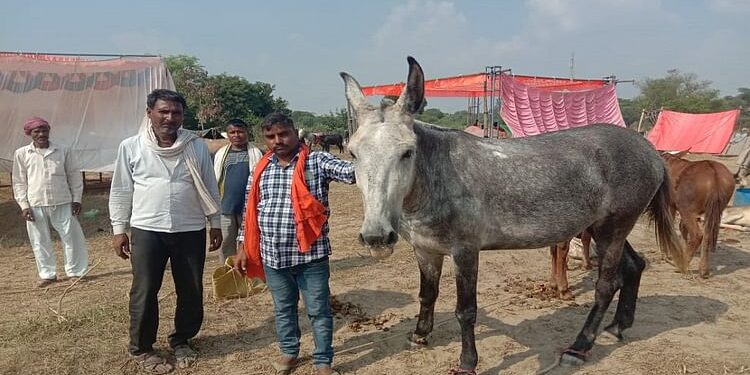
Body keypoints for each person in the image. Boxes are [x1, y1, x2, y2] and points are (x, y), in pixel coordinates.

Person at [109, 89, 222, 374]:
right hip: (147, 229)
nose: (170, 118)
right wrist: (119, 229)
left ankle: (182, 339)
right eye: (164, 111)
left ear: (183, 116)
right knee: (145, 291)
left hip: (190, 227)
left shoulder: (195, 146)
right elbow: (121, 190)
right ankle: (142, 348)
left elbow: (210, 185)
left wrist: (215, 223)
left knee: (191, 289)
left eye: (176, 113)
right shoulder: (131, 147)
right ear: (150, 113)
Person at [235, 112, 355, 375]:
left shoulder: (317, 160)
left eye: (283, 134)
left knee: (318, 311)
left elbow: (351, 172)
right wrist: (243, 244)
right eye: (270, 136)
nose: (277, 140)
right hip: (273, 258)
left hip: (310, 257)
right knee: (283, 309)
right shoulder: (261, 168)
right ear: (265, 139)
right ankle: (289, 352)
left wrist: (371, 150)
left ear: (294, 132)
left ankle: (323, 360)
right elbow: (249, 210)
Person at [12, 117, 88, 288]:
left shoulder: (62, 150)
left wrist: (76, 199)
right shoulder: (22, 154)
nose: (41, 134)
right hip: (35, 203)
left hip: (62, 201)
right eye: (36, 131)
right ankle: (47, 274)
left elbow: (74, 176)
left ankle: (75, 272)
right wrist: (24, 206)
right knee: (39, 240)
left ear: (49, 131)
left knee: (72, 237)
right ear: (30, 134)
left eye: (44, 130)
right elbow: (18, 182)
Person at [213, 118, 263, 264]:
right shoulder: (220, 154)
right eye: (232, 132)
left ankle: (251, 277)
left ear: (247, 133)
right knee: (225, 243)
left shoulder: (258, 153)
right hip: (225, 207)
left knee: (250, 242)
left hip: (249, 208)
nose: (236, 135)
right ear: (227, 135)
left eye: (240, 131)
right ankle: (229, 275)